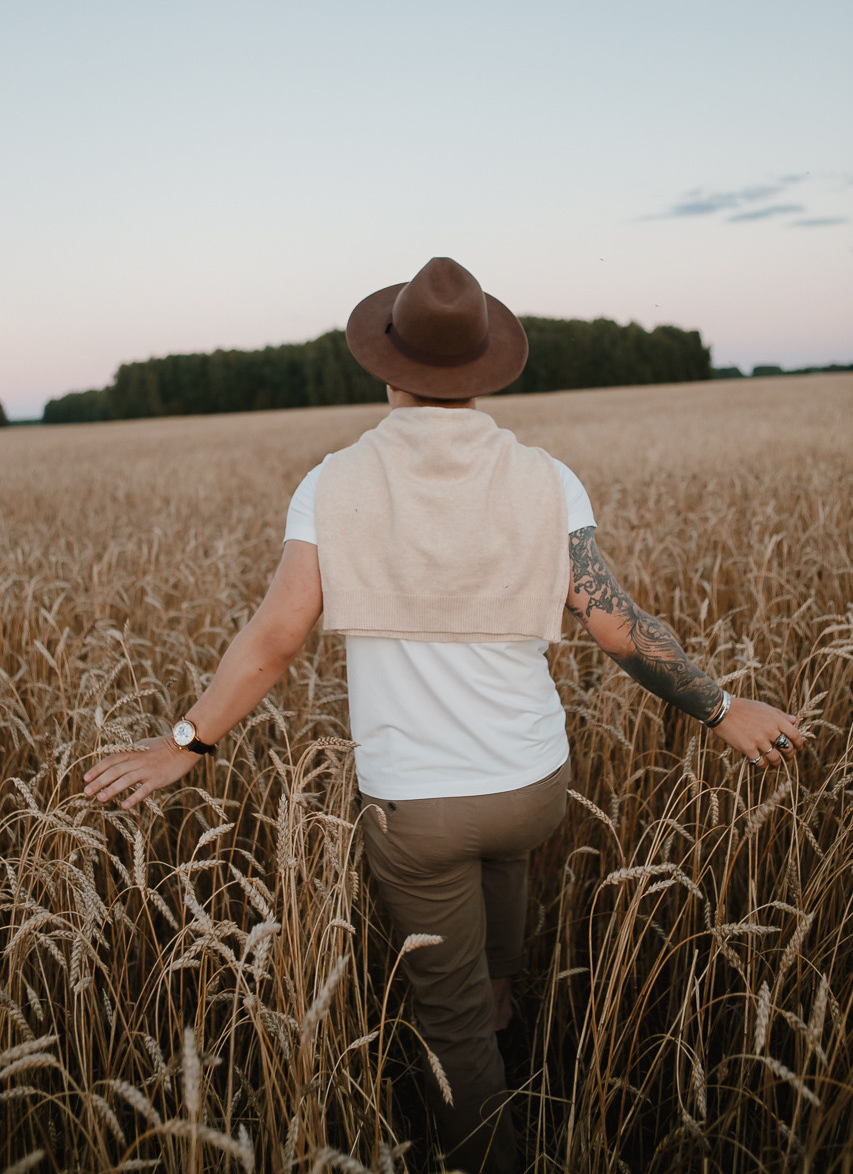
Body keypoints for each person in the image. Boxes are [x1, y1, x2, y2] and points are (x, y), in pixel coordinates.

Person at [83, 257, 803, 1174]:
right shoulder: (547, 479)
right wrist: (724, 707)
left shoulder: (333, 483)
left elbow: (276, 635)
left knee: (448, 1026)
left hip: (418, 810)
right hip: (533, 784)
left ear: (389, 366)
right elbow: (618, 627)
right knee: (499, 963)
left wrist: (186, 744)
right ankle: (513, 1041)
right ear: (483, 368)